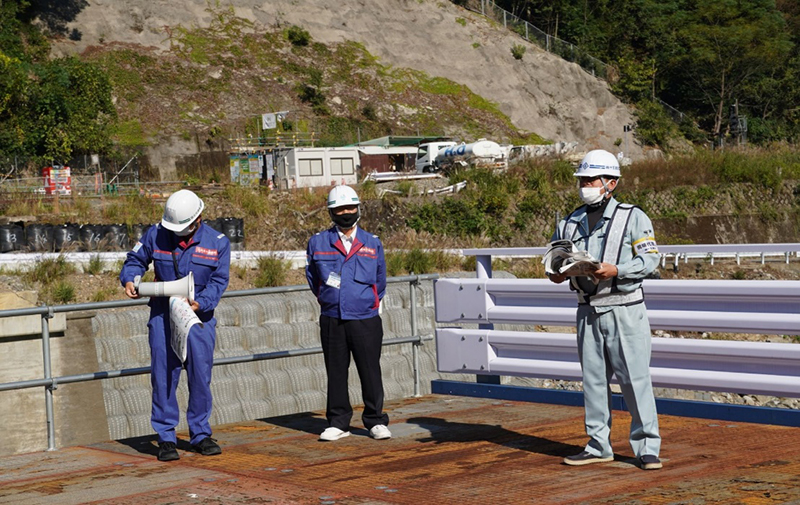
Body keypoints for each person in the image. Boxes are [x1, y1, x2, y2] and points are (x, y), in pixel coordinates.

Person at [547, 149, 662, 470]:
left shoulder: (633, 217)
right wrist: (556, 272)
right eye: (582, 179)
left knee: (634, 379)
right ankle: (598, 444)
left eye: (590, 179)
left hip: (624, 308)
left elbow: (651, 259)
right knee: (594, 381)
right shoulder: (569, 222)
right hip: (587, 310)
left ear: (611, 182)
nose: (585, 185)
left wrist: (617, 270)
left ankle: (647, 447)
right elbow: (554, 261)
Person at [120, 189, 230, 461]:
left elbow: (219, 281)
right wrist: (130, 278)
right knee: (163, 375)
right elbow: (135, 259)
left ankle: (200, 434)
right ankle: (166, 437)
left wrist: (201, 302)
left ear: (198, 219)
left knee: (200, 376)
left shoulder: (218, 242)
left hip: (198, 319)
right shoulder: (155, 234)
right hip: (162, 315)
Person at [305, 185, 391, 442]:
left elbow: (380, 280)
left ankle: (375, 421)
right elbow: (313, 278)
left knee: (370, 370)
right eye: (340, 209)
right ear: (331, 212)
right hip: (332, 317)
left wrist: (368, 302)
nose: (346, 213)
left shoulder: (372, 243)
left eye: (350, 208)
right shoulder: (318, 242)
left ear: (358, 209)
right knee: (336, 371)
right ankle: (338, 422)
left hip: (365, 317)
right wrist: (326, 299)